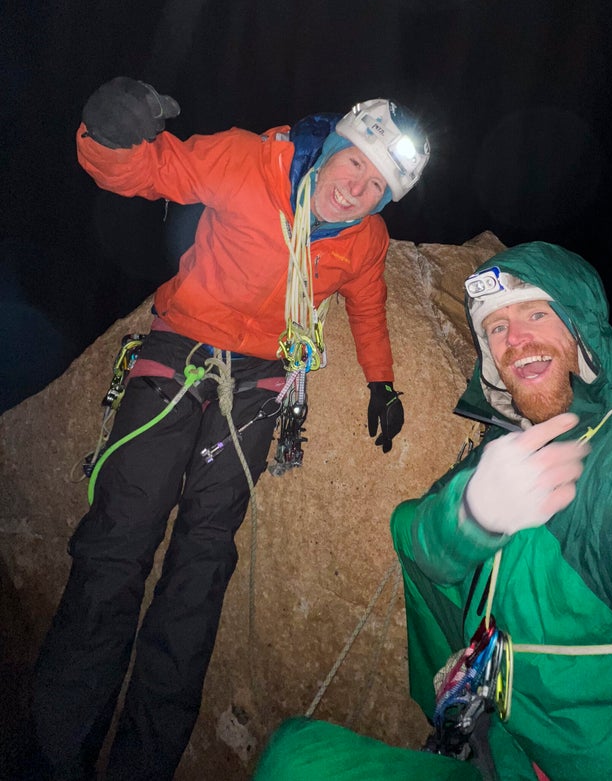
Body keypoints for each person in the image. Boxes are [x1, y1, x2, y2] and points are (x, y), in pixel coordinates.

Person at [29, 77, 430, 781]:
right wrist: (106, 132)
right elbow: (147, 170)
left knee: (202, 566)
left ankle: (141, 766)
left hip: (260, 385)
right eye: (355, 164)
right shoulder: (250, 160)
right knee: (119, 542)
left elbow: (368, 304)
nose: (357, 188)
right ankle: (55, 755)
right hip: (179, 351)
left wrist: (382, 381)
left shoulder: (365, 240)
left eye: (376, 187)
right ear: (333, 146)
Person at [251, 241, 612, 781]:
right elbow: (411, 533)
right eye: (496, 328)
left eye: (536, 313)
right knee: (293, 757)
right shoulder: (496, 455)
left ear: (582, 329)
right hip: (494, 754)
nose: (516, 339)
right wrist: (471, 519)